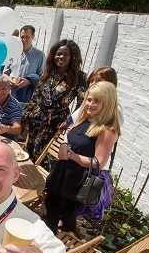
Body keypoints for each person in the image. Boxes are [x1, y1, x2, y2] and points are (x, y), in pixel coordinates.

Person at [44, 81, 121, 234]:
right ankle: (51, 240)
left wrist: (70, 155)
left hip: (76, 182)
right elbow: (71, 136)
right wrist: (64, 144)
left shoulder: (107, 129)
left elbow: (98, 163)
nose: (90, 104)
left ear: (108, 103)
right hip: (62, 173)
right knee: (50, 210)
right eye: (89, 99)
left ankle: (54, 245)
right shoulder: (86, 119)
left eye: (97, 101)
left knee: (64, 218)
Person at [23, 39, 87, 161]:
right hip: (36, 119)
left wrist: (70, 122)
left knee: (44, 159)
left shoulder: (79, 77)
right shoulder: (49, 72)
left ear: (72, 56)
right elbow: (36, 96)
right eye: (58, 54)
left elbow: (82, 104)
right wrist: (26, 116)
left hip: (56, 124)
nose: (61, 57)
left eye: (65, 54)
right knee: (30, 153)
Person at [76, 67, 121, 222]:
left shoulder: (108, 126)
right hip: (70, 170)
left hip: (81, 174)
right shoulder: (88, 115)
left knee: (69, 212)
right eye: (92, 80)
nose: (93, 84)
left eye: (98, 81)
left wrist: (72, 155)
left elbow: (99, 161)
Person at [2, 25, 46, 105]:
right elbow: (4, 73)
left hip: (26, 97)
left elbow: (42, 76)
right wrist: (10, 79)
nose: (24, 40)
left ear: (33, 37)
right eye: (22, 37)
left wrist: (28, 81)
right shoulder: (13, 52)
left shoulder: (39, 55)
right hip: (10, 94)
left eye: (27, 37)